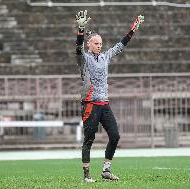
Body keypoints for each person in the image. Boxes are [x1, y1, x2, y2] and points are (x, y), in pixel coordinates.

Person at [75, 10, 144, 182]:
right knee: (89, 139)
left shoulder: (105, 57)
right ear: (89, 45)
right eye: (96, 43)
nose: (99, 45)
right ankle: (86, 175)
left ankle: (106, 170)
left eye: (100, 43)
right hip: (90, 103)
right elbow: (77, 48)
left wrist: (132, 30)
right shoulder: (84, 59)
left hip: (104, 104)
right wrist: (81, 30)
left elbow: (120, 45)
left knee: (115, 136)